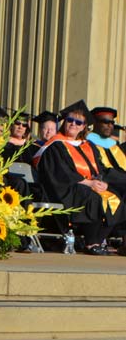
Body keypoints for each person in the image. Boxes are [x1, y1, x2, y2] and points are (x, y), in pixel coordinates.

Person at [33, 99, 126, 255]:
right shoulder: (55, 145)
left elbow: (100, 168)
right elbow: (61, 173)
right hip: (66, 188)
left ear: (83, 126)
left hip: (88, 185)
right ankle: (91, 242)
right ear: (64, 122)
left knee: (116, 199)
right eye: (70, 120)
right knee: (92, 198)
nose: (73, 124)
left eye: (78, 122)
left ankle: (97, 241)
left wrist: (102, 183)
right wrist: (88, 183)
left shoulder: (87, 146)